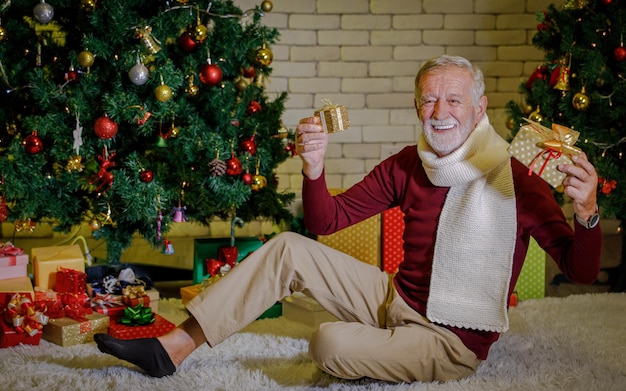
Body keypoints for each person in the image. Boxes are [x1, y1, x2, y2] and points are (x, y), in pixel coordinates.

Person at [94, 55, 602, 383]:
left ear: (479, 108)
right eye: (429, 99)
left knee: (328, 342)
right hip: (393, 297)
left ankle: (380, 348)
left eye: (453, 99)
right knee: (289, 247)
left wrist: (586, 213)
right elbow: (326, 221)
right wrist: (314, 168)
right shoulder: (409, 163)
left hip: (450, 339)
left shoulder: (516, 180)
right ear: (417, 106)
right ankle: (173, 348)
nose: (440, 110)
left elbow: (578, 273)